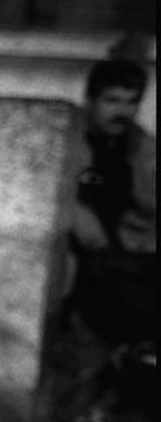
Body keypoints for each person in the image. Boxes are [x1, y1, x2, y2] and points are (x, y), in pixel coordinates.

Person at [65, 56, 155, 371]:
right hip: (86, 250)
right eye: (112, 100)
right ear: (90, 101)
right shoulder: (69, 137)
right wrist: (74, 213)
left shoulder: (139, 145)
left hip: (129, 245)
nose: (122, 111)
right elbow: (49, 189)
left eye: (131, 102)